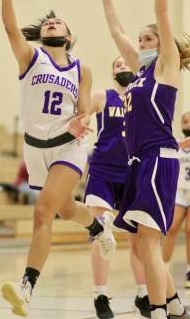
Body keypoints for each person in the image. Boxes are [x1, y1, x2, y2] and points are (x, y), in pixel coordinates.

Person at [0, 0, 116, 317]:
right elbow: (9, 28)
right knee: (65, 210)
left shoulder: (82, 68)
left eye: (58, 22)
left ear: (68, 36)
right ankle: (96, 226)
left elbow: (83, 111)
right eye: (48, 22)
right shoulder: (30, 58)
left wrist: (83, 121)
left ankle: (26, 288)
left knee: (42, 212)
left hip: (68, 145)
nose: (51, 23)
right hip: (35, 147)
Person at [98, 0, 190, 319]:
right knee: (140, 244)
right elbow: (116, 31)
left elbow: (163, 13)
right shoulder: (138, 74)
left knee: (150, 242)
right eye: (141, 40)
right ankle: (173, 303)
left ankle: (155, 310)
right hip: (139, 162)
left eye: (147, 39)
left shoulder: (166, 67)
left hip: (157, 156)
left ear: (163, 44)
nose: (141, 43)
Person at [85, 55, 150, 319]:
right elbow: (79, 113)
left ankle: (143, 293)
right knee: (101, 232)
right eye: (117, 65)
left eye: (126, 64)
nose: (123, 67)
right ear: (113, 73)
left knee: (137, 239)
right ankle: (100, 295)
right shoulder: (103, 96)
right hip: (102, 170)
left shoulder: (144, 99)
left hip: (132, 172)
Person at [163, 111, 190, 288]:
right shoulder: (176, 142)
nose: (187, 123)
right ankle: (163, 268)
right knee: (171, 228)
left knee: (189, 230)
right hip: (179, 190)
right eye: (185, 121)